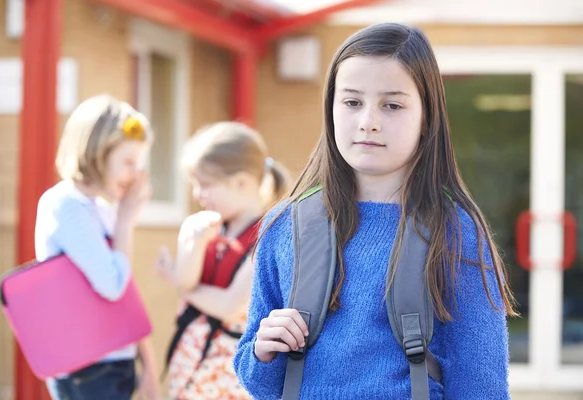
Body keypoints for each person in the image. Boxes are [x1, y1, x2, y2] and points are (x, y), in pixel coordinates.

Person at [233, 23, 517, 399]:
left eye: (392, 105)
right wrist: (262, 351)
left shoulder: (456, 233)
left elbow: (482, 387)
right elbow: (261, 384)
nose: (368, 120)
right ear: (331, 108)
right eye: (352, 102)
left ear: (427, 117)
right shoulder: (284, 225)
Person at [35, 94, 160, 400]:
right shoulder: (65, 205)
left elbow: (125, 291)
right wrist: (126, 219)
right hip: (88, 369)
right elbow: (113, 285)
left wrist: (149, 366)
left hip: (116, 361)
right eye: (128, 162)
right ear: (98, 153)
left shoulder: (100, 208)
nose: (135, 175)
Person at [155, 122, 290, 399]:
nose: (196, 194)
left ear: (240, 182)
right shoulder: (213, 228)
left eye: (205, 185)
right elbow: (187, 277)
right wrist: (191, 241)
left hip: (225, 375)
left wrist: (184, 290)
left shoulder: (267, 237)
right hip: (192, 368)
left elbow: (228, 306)